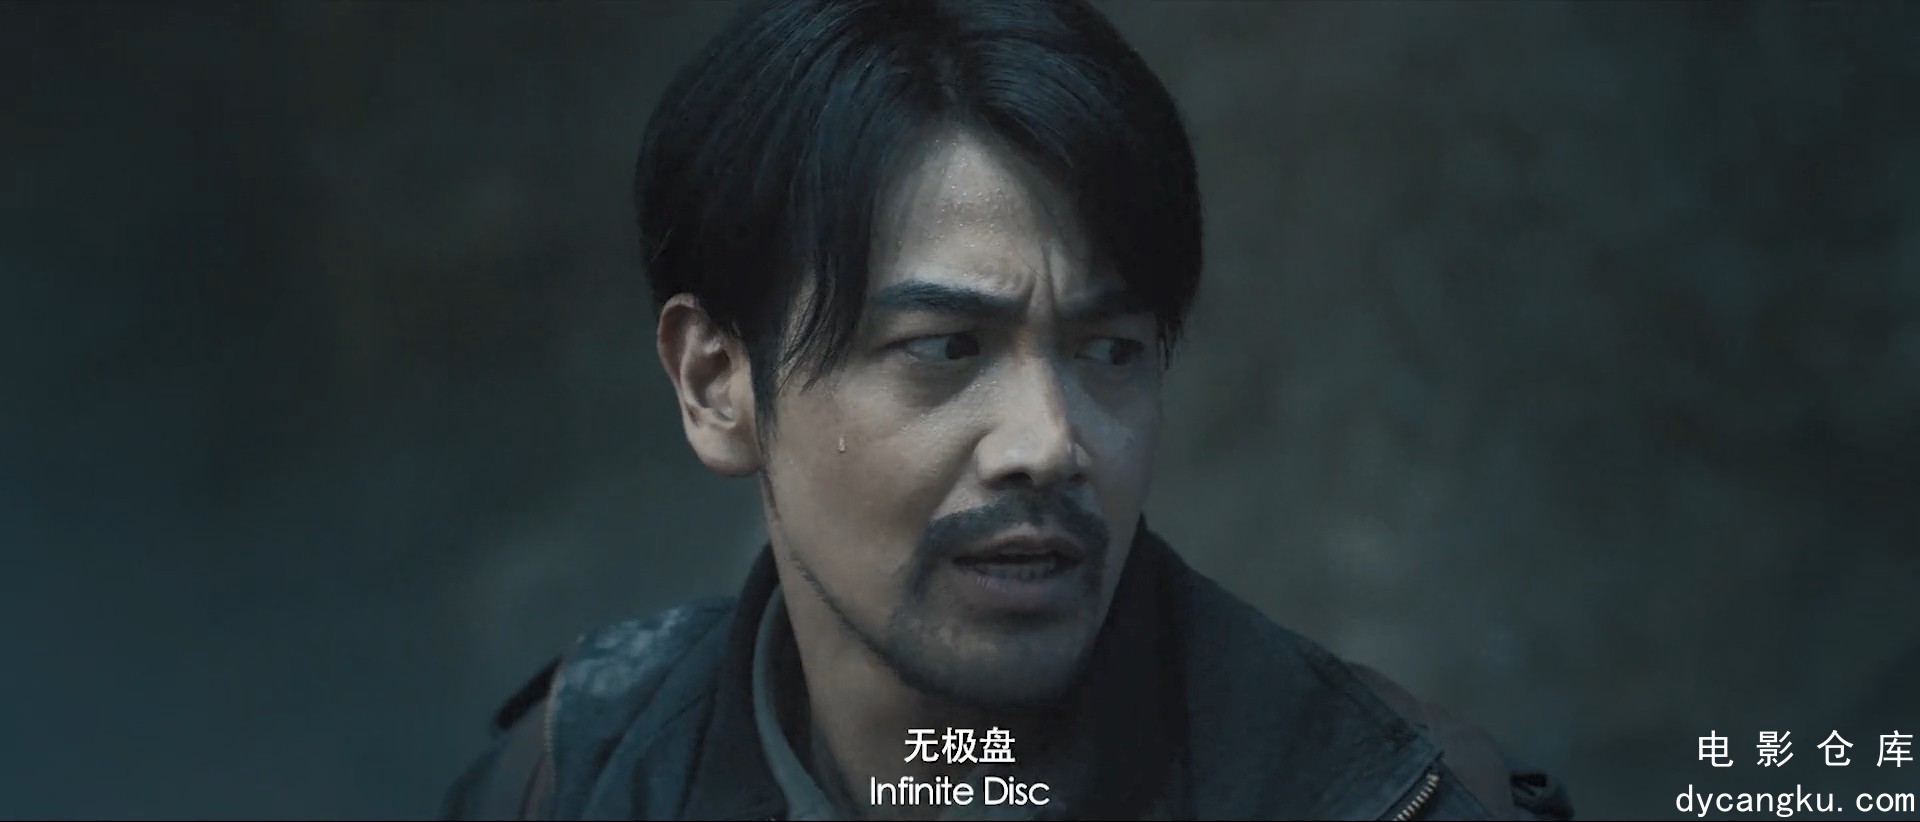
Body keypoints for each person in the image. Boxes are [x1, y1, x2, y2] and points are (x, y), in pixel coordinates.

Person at [442, 0, 1574, 818]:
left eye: (1110, 351)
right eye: (945, 347)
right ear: (714, 383)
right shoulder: (576, 773)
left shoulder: (1388, 797)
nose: (1049, 442)